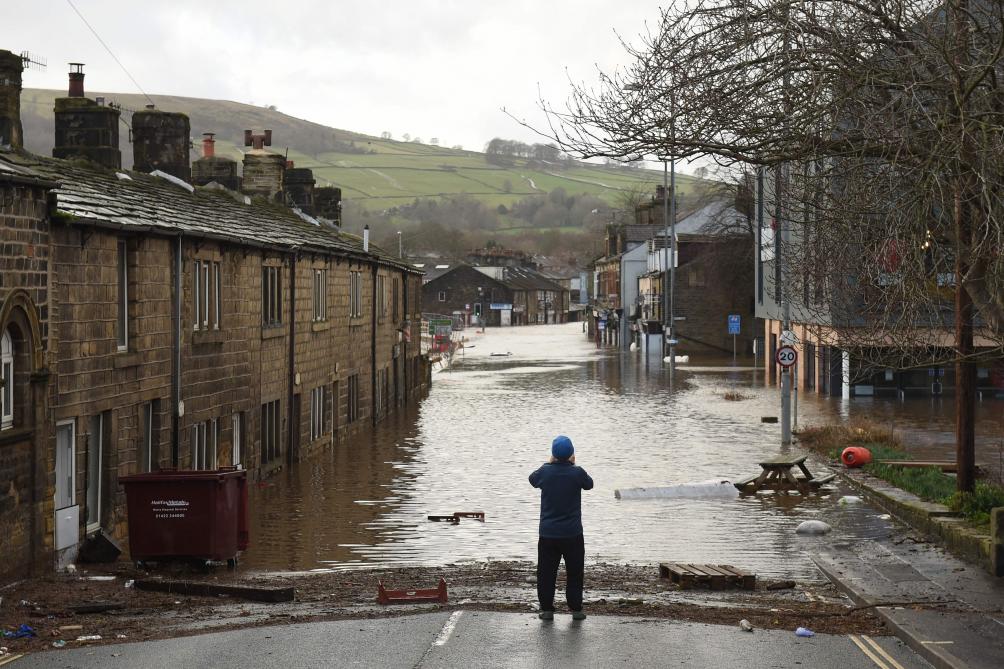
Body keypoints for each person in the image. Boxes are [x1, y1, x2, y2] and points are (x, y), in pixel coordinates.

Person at [528, 435, 594, 621]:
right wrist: (573, 465)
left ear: (553, 454)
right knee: (574, 571)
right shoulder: (577, 472)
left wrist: (549, 463)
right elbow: (589, 485)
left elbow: (532, 479)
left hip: (548, 533)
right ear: (572, 454)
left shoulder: (545, 472)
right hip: (572, 533)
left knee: (546, 572)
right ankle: (575, 608)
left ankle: (547, 608)